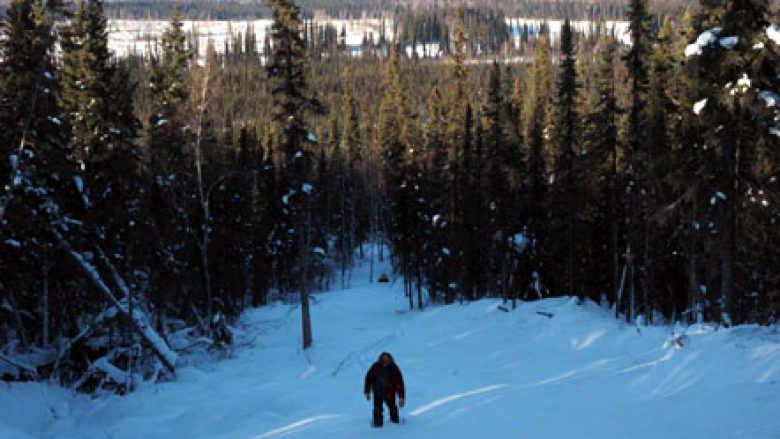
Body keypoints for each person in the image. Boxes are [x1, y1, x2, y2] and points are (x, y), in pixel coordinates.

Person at [363, 352, 405, 427]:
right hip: (377, 392)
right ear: (380, 359)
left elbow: (399, 383)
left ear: (390, 359)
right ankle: (377, 425)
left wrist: (401, 397)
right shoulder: (375, 366)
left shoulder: (394, 368)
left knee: (393, 409)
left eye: (387, 358)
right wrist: (367, 391)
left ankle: (395, 424)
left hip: (390, 393)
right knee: (377, 409)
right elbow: (368, 379)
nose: (385, 360)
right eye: (383, 358)